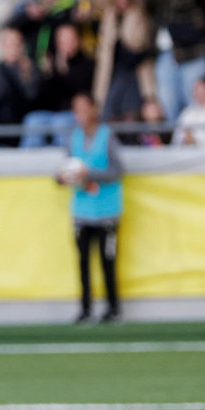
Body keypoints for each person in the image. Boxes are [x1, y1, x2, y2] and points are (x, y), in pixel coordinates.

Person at [56, 92, 123, 325]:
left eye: (84, 109)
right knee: (83, 263)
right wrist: (64, 177)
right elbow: (63, 170)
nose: (80, 115)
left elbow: (118, 171)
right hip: (82, 212)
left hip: (107, 211)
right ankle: (85, 309)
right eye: (77, 110)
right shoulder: (73, 137)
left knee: (107, 262)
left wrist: (88, 174)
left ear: (94, 109)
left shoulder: (107, 136)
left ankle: (113, 308)